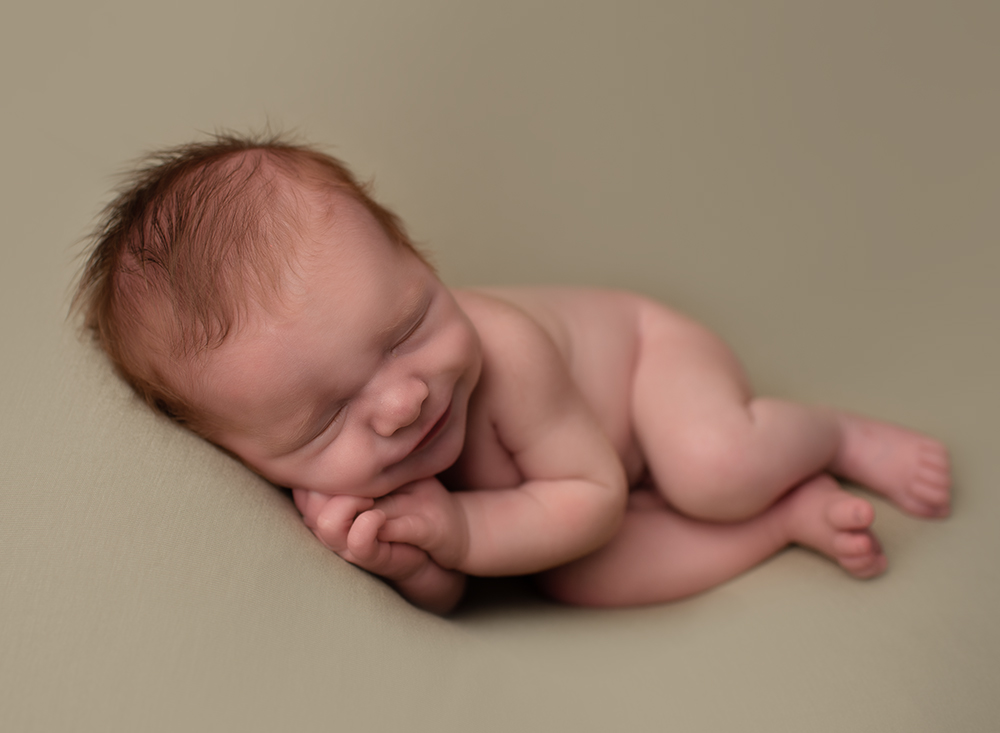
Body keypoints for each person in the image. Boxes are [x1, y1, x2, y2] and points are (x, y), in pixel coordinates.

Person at [74, 134, 952, 614]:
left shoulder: (510, 351)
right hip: (560, 498)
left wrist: (451, 526)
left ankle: (832, 434)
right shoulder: (354, 472)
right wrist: (408, 557)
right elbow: (455, 587)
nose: (402, 399)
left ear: (418, 256)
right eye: (325, 420)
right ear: (245, 453)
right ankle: (782, 523)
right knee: (577, 577)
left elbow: (591, 496)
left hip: (644, 376)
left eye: (408, 325)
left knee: (711, 467)